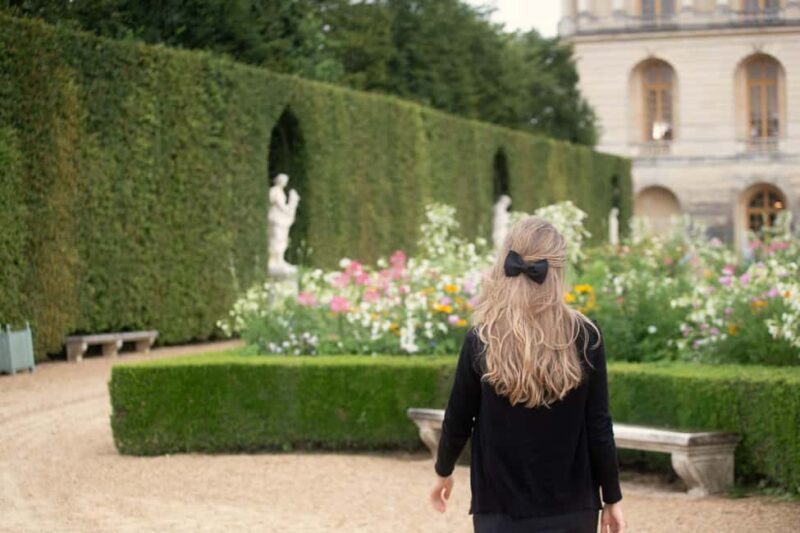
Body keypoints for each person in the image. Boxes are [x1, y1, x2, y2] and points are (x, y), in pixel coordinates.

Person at [428, 216, 626, 533]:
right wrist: (612, 497)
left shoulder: (483, 337)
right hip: (573, 508)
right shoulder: (585, 336)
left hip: (499, 510)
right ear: (558, 271)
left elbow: (458, 419)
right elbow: (598, 425)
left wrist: (443, 471)